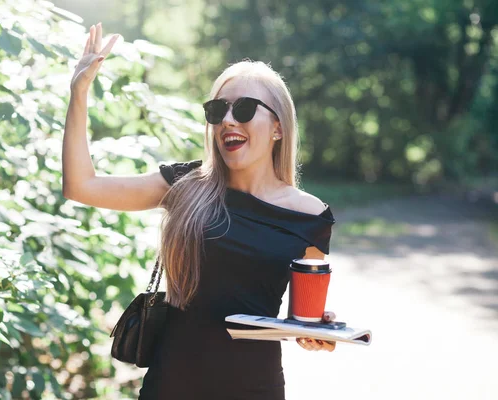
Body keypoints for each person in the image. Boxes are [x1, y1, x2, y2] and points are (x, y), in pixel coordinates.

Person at [63, 22, 337, 400]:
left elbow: (301, 319)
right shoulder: (186, 183)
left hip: (254, 389)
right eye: (217, 110)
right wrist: (79, 92)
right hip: (171, 385)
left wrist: (318, 331)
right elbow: (81, 186)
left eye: (243, 109)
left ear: (277, 127)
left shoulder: (311, 218)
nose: (228, 120)